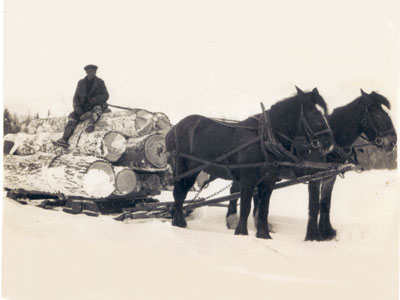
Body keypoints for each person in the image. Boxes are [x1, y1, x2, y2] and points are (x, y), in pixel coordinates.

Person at [53, 64, 109, 148]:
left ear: (95, 72)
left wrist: (96, 99)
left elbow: (106, 95)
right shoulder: (81, 83)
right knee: (72, 117)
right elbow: (76, 97)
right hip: (84, 107)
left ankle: (91, 124)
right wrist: (77, 106)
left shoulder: (100, 82)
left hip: (96, 105)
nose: (90, 73)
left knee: (97, 109)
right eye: (89, 71)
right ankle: (64, 139)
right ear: (86, 72)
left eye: (92, 71)